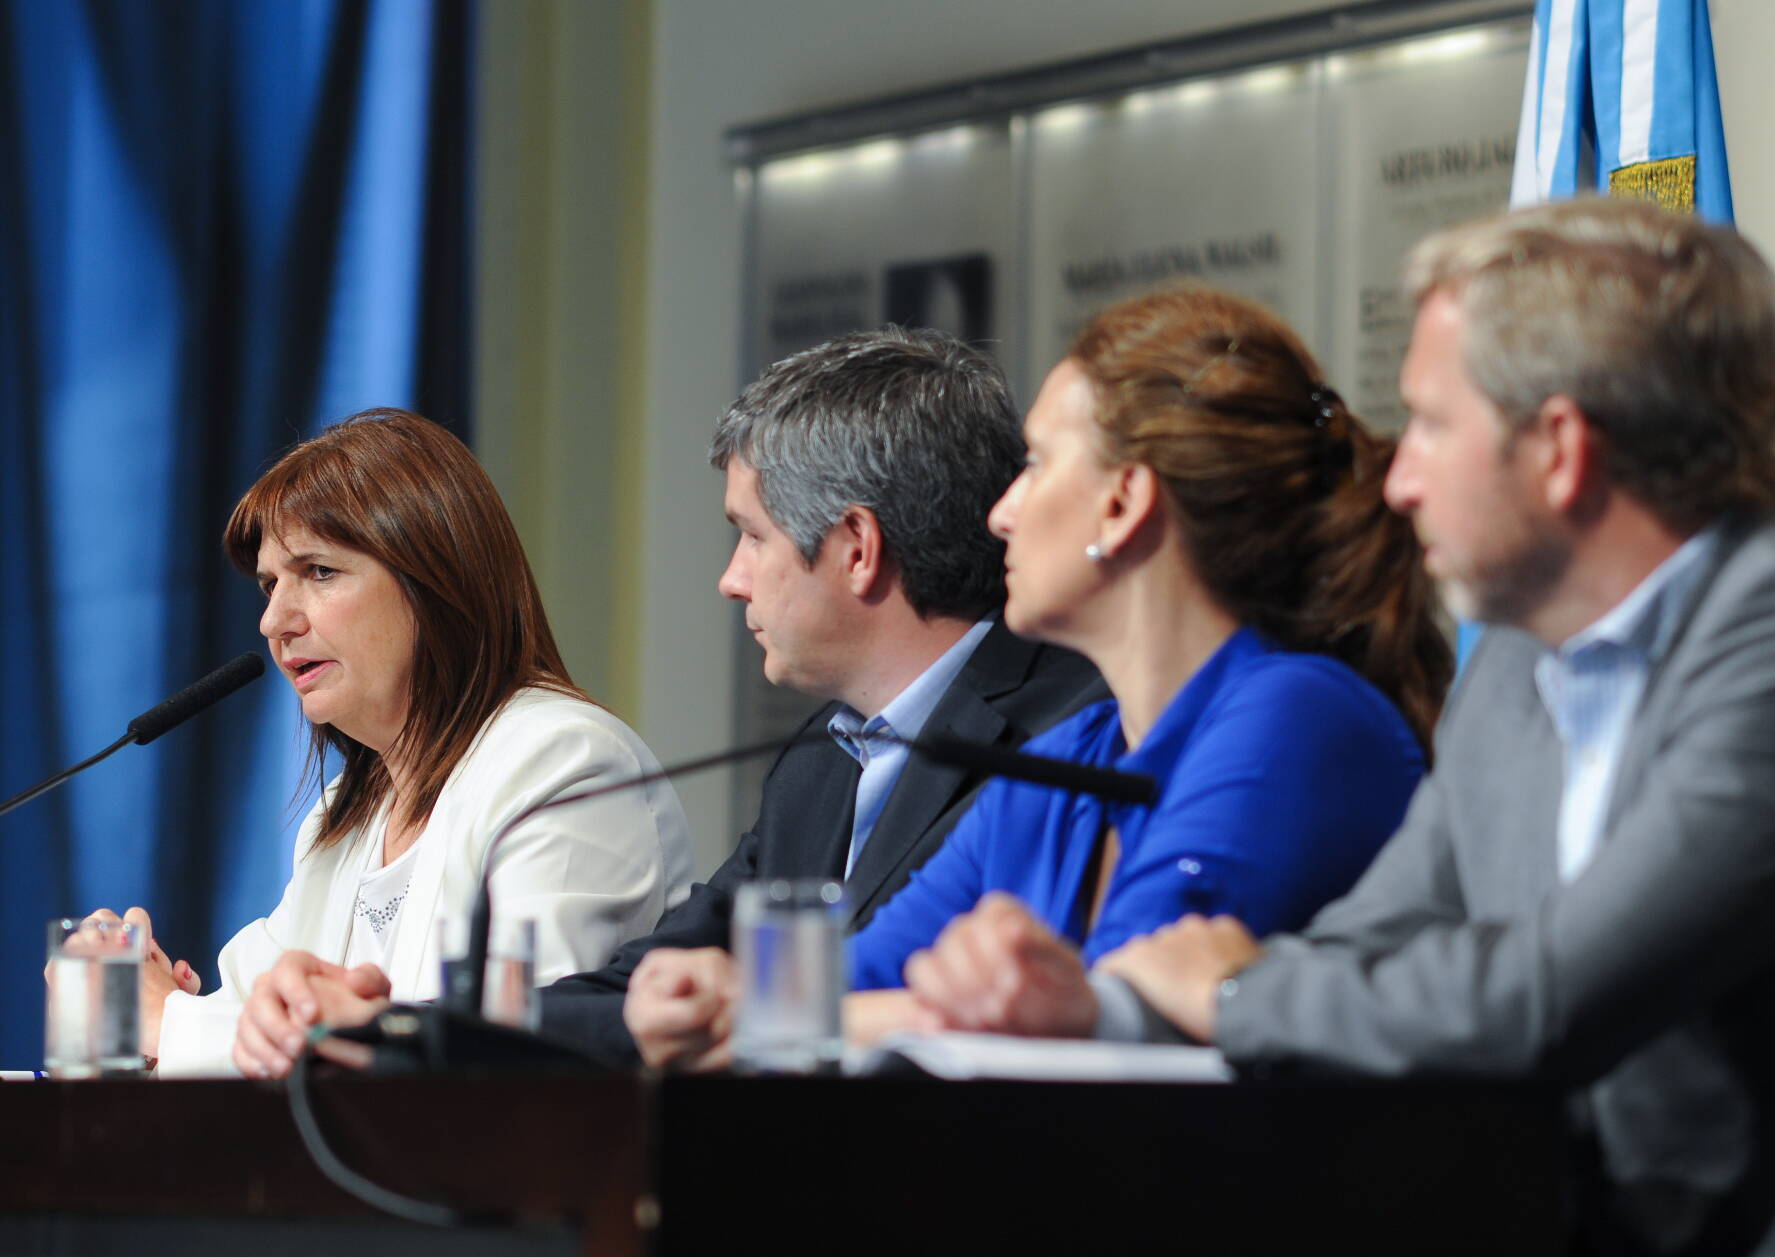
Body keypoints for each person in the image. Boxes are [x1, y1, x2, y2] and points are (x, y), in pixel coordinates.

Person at [913, 201, 1775, 1256]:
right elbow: (1370, 940)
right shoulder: (1528, 652)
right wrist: (1106, 1008)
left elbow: (1546, 997)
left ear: (1557, 448)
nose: (1396, 479)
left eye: (1433, 426)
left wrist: (1232, 987)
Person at [235, 329, 1105, 1073]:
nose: (730, 582)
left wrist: (746, 1012)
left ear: (855, 550)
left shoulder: (1069, 729)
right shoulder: (822, 760)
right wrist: (397, 1029)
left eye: (750, 536)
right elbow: (639, 985)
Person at [640, 286, 1453, 1062]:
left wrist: (771, 1011)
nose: (1001, 511)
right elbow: (862, 969)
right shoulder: (1072, 754)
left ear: (1122, 503)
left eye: (1036, 464)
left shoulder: (1300, 716)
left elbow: (1122, 1002)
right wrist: (715, 991)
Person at [75, 409, 694, 1078]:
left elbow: (505, 1057)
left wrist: (170, 1019)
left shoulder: (565, 764)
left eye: (317, 571)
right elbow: (247, 1024)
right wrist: (139, 1001)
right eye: (269, 583)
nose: (274, 621)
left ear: (433, 580)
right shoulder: (345, 816)